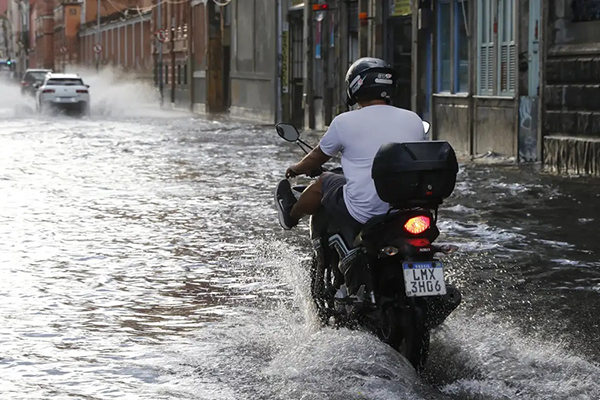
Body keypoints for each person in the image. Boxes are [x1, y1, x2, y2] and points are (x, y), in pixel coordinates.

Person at [275, 57, 428, 230]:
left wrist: (296, 168)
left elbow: (317, 157)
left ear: (354, 87)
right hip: (407, 208)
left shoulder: (344, 122)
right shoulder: (413, 119)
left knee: (324, 180)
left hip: (364, 211)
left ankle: (291, 215)